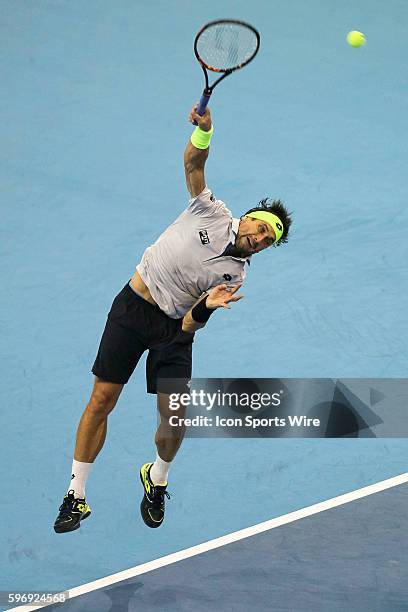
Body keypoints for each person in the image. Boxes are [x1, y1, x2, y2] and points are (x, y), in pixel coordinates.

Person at [53, 104, 292, 533]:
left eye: (267, 240)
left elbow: (187, 328)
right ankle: (76, 495)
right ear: (250, 216)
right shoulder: (212, 211)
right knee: (102, 400)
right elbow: (193, 163)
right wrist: (205, 132)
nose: (258, 239)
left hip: (174, 330)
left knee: (175, 417)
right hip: (132, 309)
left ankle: (157, 478)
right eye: (260, 228)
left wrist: (205, 308)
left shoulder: (233, 275)